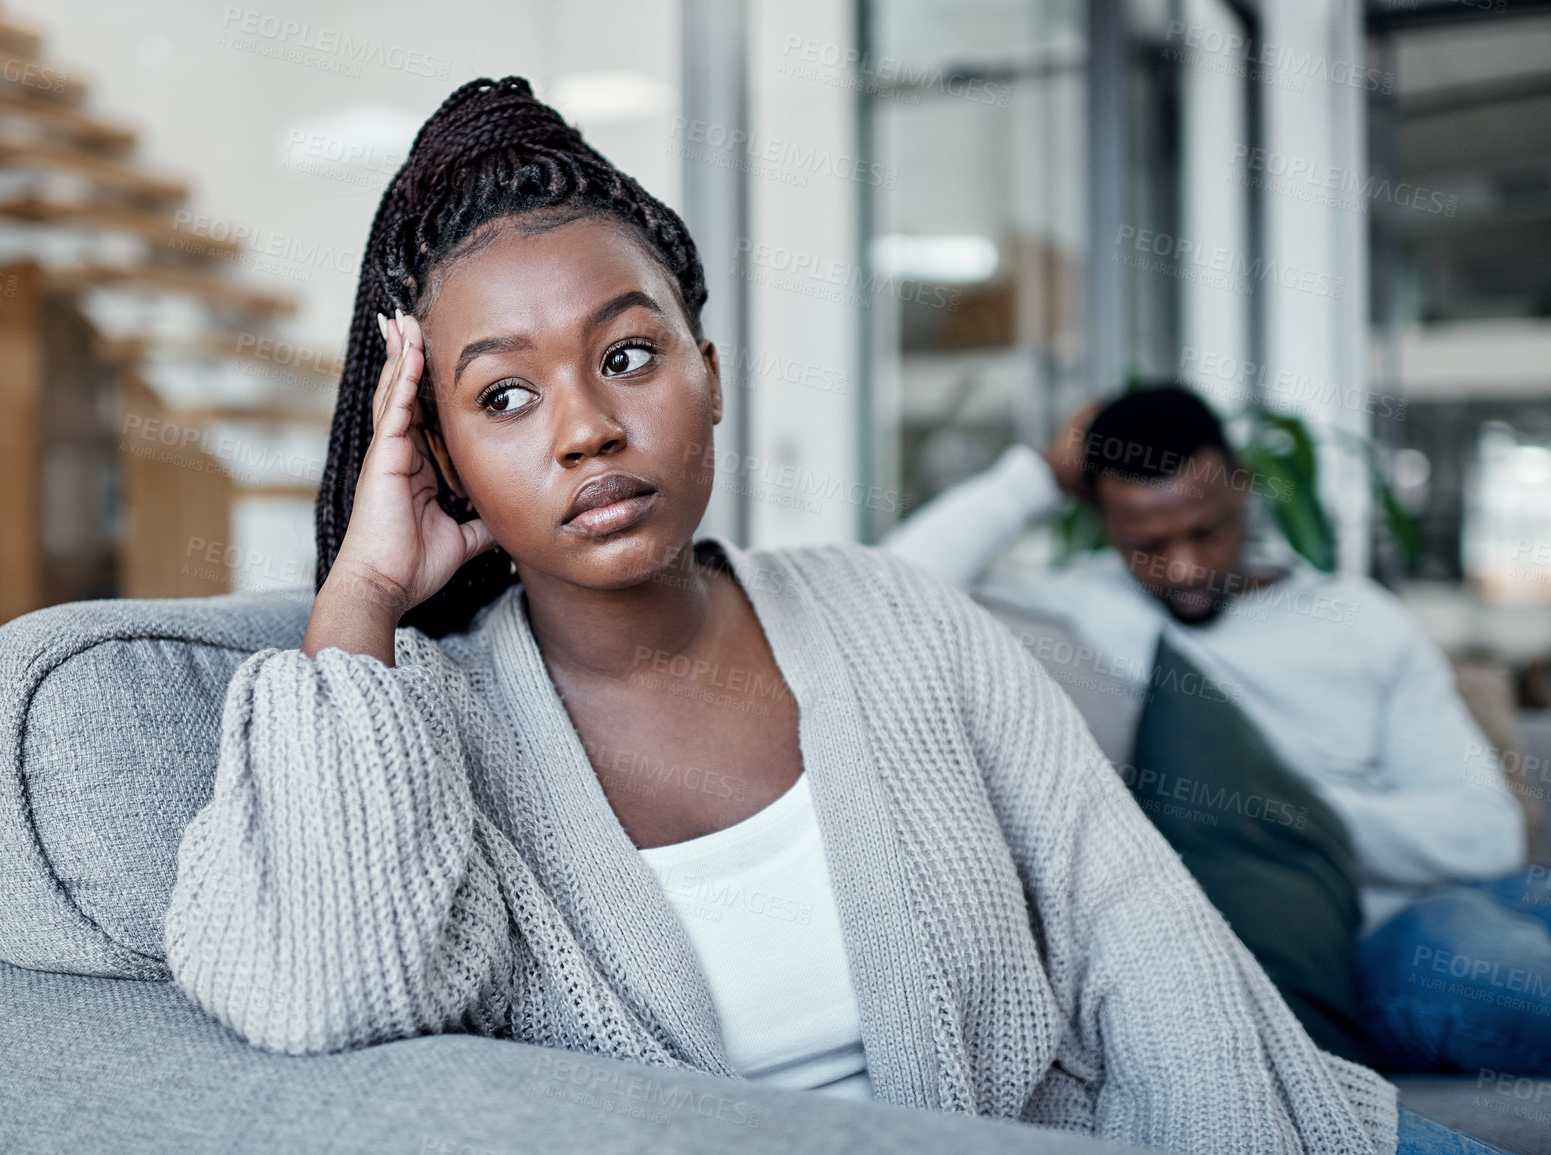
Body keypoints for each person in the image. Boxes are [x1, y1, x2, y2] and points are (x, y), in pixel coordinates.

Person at [164, 76, 1457, 1153]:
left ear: (706, 373)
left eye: (626, 354)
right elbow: (327, 981)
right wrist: (362, 594)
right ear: (434, 450)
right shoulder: (422, 729)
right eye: (501, 396)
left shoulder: (889, 609)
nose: (586, 428)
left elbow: (1140, 933)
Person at [884, 384, 1551, 1078]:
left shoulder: (1357, 618)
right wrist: (1040, 477)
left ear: (1240, 486)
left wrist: (1290, 814)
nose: (1184, 568)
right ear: (1102, 521)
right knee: (1480, 962)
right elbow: (886, 592)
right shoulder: (1083, 609)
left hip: (1470, 893)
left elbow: (1487, 833)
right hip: (1379, 940)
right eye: (1146, 544)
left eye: (1205, 530)